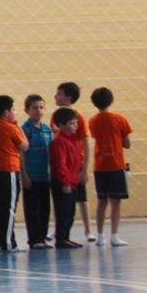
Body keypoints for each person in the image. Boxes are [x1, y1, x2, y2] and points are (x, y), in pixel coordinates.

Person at [0, 95, 28, 252]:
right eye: (13, 109)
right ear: (6, 112)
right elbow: (24, 146)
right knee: (8, 208)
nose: (15, 112)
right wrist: (15, 124)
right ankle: (8, 243)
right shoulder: (9, 127)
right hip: (6, 172)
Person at [88, 87, 132, 246]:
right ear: (111, 100)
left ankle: (99, 236)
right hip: (116, 165)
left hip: (99, 166)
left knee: (102, 201)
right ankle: (114, 235)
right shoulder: (120, 119)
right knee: (116, 202)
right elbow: (127, 143)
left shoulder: (92, 121)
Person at [53, 82, 93, 242]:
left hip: (77, 164)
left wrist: (84, 170)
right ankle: (60, 230)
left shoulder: (78, 117)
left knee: (81, 198)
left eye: (59, 94)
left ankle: (88, 229)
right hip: (63, 164)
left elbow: (86, 141)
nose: (56, 96)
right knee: (61, 201)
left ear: (68, 97)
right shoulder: (56, 116)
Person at [20, 94, 53, 249]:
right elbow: (21, 154)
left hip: (45, 175)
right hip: (31, 176)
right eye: (34, 108)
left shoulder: (47, 130)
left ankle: (42, 236)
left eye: (41, 107)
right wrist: (24, 175)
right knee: (32, 208)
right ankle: (34, 239)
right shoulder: (24, 130)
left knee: (44, 207)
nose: (38, 111)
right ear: (27, 110)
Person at [50, 107, 83, 249]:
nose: (75, 126)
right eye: (71, 123)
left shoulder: (73, 140)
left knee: (70, 212)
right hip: (63, 183)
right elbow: (60, 164)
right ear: (61, 125)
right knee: (63, 212)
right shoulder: (59, 142)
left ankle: (66, 237)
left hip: (72, 181)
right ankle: (61, 238)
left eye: (76, 123)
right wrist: (65, 182)